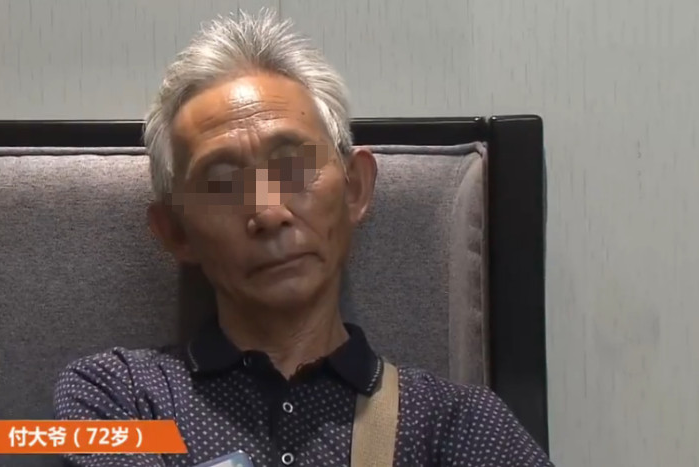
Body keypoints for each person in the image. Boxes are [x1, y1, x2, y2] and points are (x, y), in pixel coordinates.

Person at [54, 10, 552, 467]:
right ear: (176, 232)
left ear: (354, 189)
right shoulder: (115, 396)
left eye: (293, 167)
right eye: (223, 183)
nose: (269, 212)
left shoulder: (457, 424)